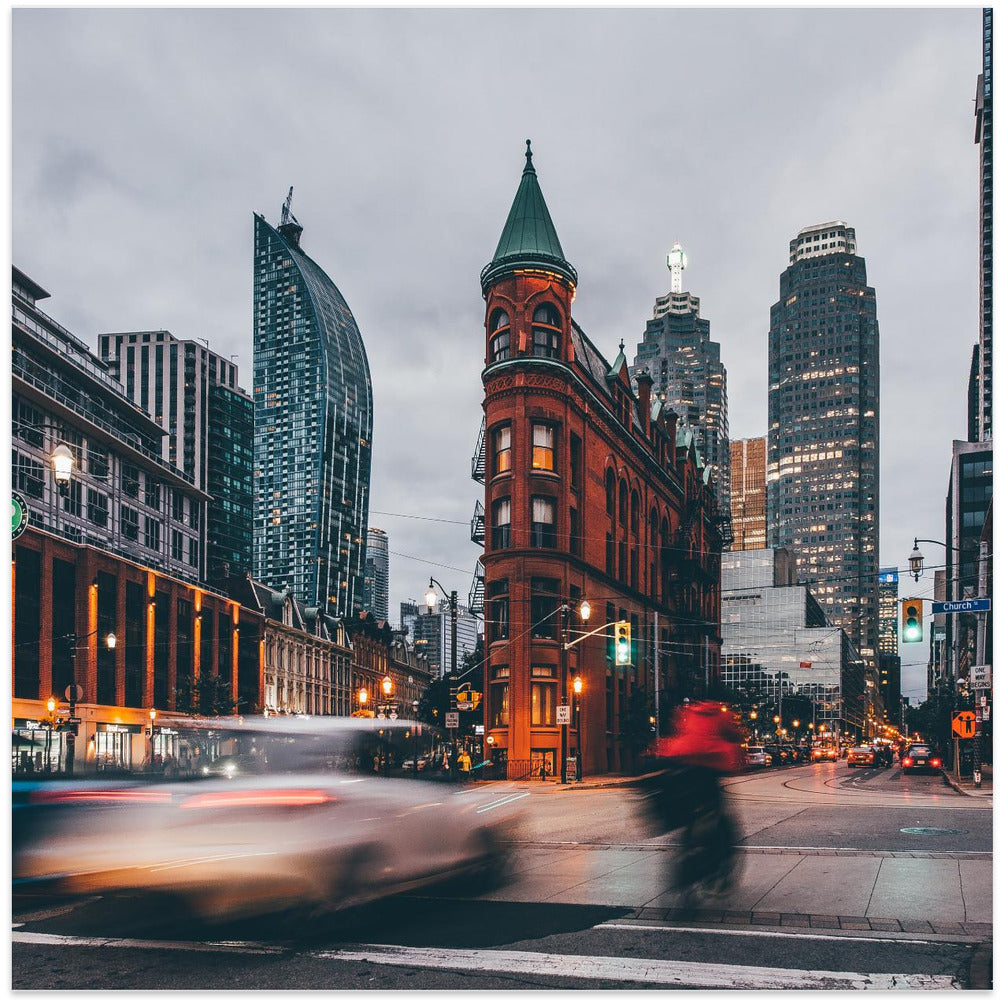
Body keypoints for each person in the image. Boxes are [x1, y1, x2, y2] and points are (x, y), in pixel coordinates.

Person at [651, 701, 745, 908]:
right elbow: (735, 737)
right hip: (708, 769)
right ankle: (717, 862)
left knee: (688, 820)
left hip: (679, 766)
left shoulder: (686, 711)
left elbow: (676, 730)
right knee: (720, 820)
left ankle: (685, 853)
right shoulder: (722, 713)